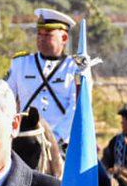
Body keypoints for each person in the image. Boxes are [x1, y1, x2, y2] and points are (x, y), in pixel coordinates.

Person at [6, 8, 81, 144]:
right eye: (39, 34)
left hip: (62, 141)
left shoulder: (75, 67)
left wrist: (55, 138)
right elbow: (6, 99)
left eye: (47, 35)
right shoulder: (20, 63)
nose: (41, 39)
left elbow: (76, 106)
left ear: (64, 38)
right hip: (25, 138)